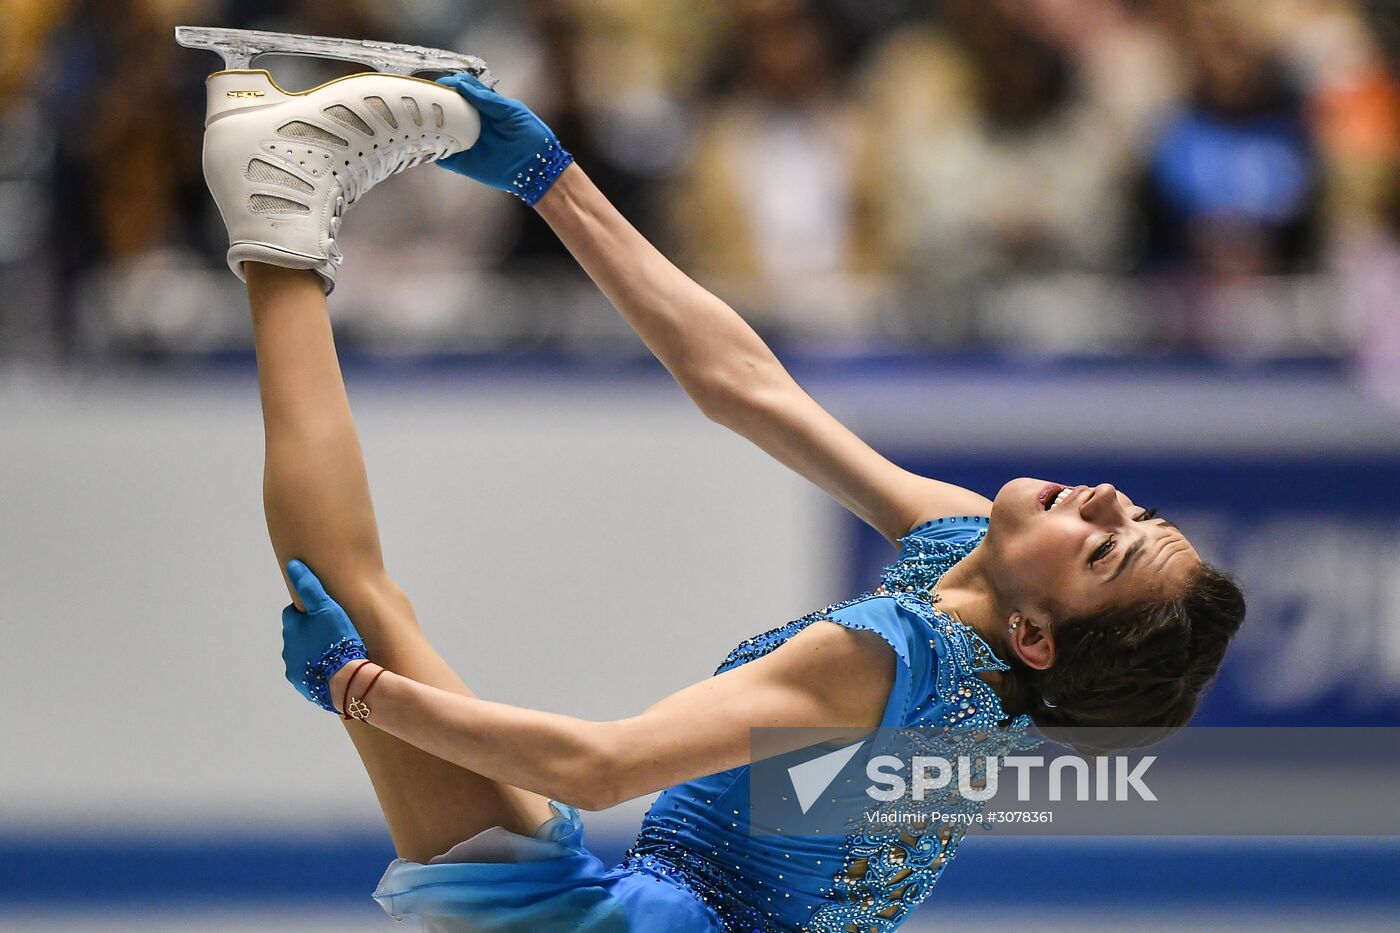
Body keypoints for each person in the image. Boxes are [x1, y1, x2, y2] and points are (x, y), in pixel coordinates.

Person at [201, 66, 1245, 932]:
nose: (1108, 500)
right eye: (1137, 518)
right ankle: (273, 185)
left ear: (1032, 634)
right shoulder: (975, 570)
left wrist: (355, 691)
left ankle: (277, 199)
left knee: (355, 606)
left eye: (1106, 549)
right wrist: (549, 177)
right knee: (365, 604)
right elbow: (743, 387)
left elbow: (598, 768)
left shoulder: (886, 659)